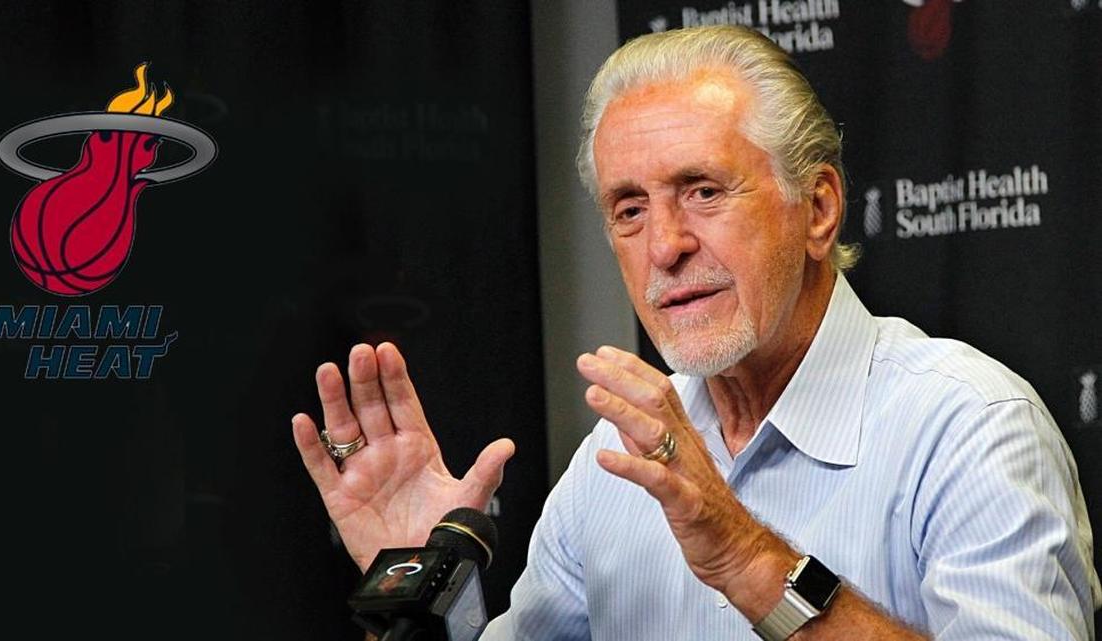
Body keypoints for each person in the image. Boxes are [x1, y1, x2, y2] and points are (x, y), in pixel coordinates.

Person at [292, 25, 1100, 640]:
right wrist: (420, 594)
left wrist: (750, 560)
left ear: (819, 208)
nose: (665, 245)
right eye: (629, 209)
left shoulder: (971, 427)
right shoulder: (610, 469)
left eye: (704, 191)